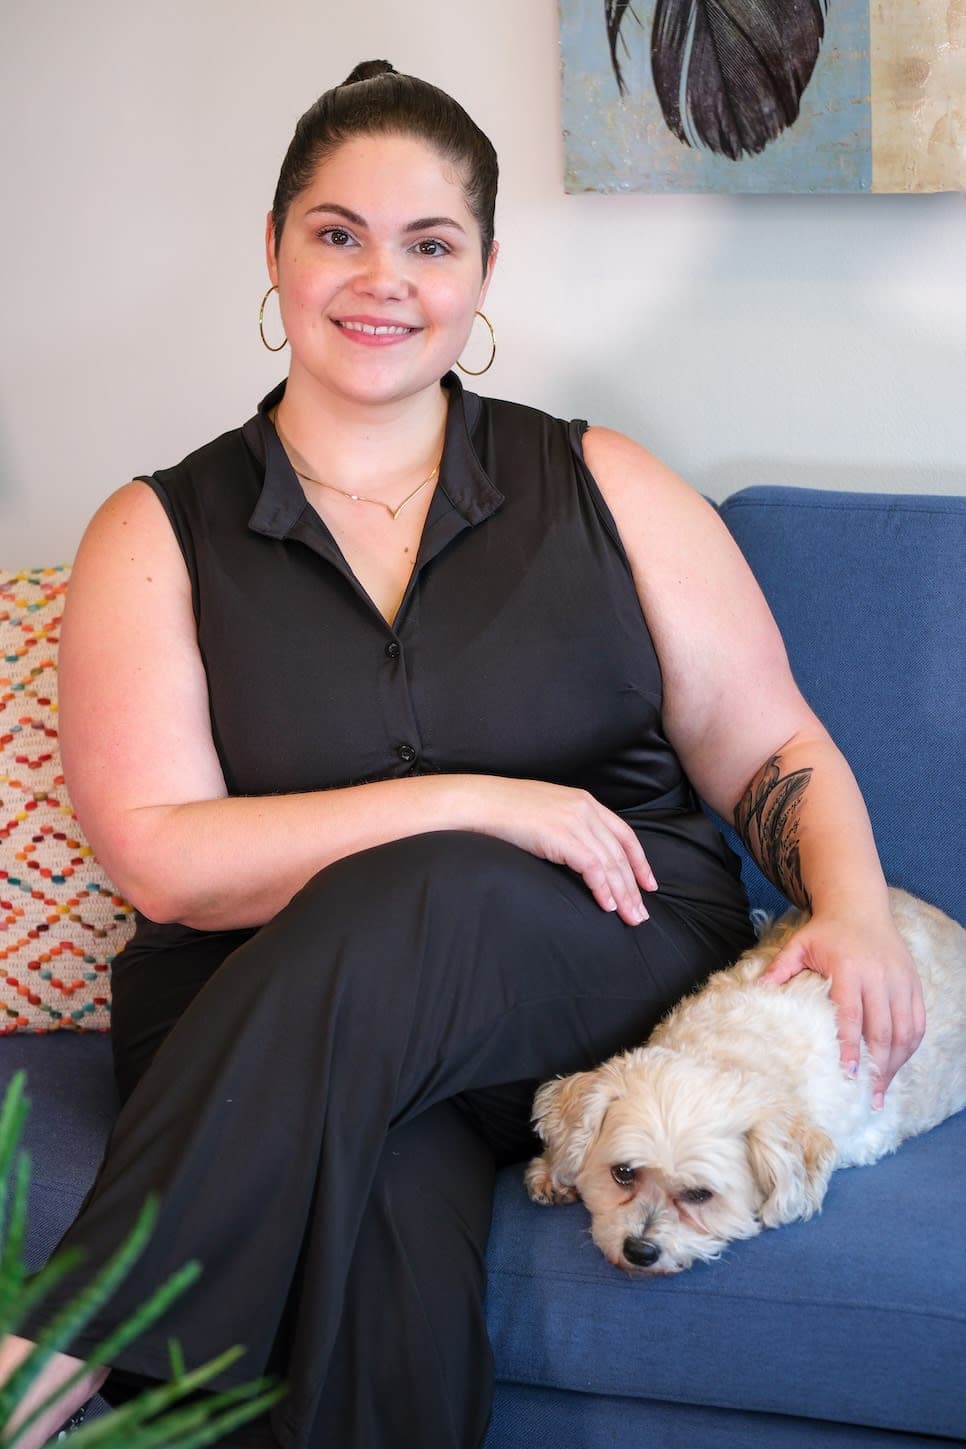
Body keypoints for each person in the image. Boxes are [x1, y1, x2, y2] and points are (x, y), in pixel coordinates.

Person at [0, 60, 924, 1449]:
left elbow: (766, 738)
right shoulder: (158, 528)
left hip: (594, 954)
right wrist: (474, 799)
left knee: (422, 893)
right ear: (274, 248)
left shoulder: (601, 481)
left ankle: (67, 1341)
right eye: (337, 232)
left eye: (429, 242)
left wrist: (850, 903)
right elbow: (166, 862)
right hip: (261, 1007)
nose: (383, 278)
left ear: (482, 270)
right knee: (380, 1197)